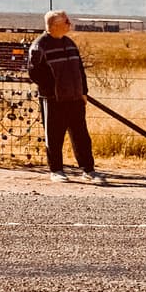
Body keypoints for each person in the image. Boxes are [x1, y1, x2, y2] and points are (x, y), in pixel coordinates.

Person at [32, 11, 98, 182]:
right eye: (66, 21)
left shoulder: (70, 43)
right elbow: (34, 73)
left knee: (81, 135)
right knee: (54, 135)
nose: (70, 23)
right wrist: (52, 90)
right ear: (54, 25)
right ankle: (56, 170)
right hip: (54, 99)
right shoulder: (40, 46)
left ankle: (88, 170)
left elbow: (80, 70)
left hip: (75, 98)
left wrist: (84, 91)